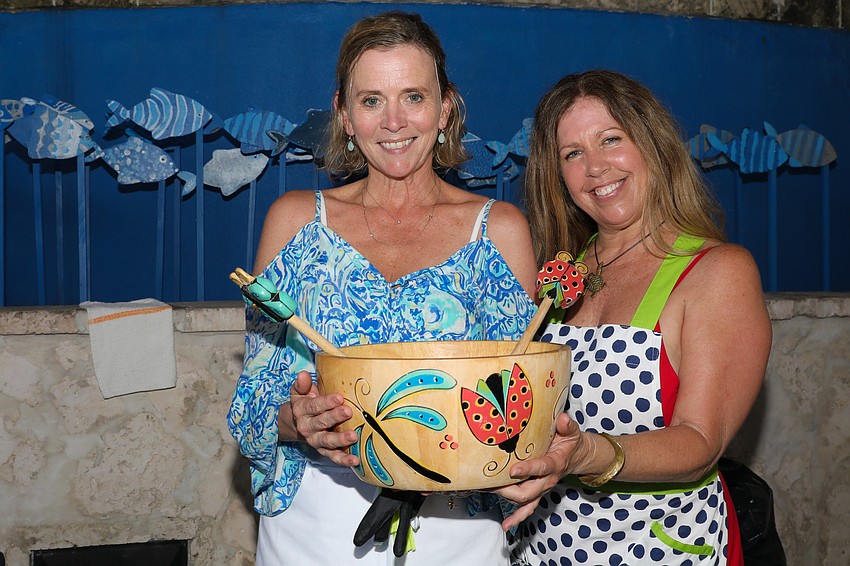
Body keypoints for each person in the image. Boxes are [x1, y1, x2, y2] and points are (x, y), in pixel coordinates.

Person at [227, 11, 538, 565]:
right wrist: (295, 421)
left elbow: (521, 401)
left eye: (413, 96)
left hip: (455, 524)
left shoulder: (501, 232)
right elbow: (254, 400)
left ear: (445, 108)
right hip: (317, 522)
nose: (393, 121)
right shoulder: (295, 223)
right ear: (345, 116)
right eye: (371, 101)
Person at [497, 70, 772, 566]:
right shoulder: (560, 279)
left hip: (656, 548)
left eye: (611, 140)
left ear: (653, 146)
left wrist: (586, 454)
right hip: (542, 548)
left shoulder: (718, 272)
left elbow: (701, 442)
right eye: (572, 154)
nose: (595, 167)